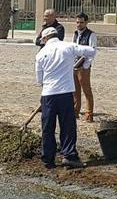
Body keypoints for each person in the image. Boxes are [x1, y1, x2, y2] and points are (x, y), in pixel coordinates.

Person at [35, 27, 97, 169]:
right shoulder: (68, 47)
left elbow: (39, 80)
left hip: (48, 95)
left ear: (45, 39)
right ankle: (69, 155)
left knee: (47, 128)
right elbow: (91, 51)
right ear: (57, 36)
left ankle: (48, 159)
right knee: (68, 126)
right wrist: (85, 64)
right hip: (65, 93)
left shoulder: (40, 54)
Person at [72, 12, 98, 122]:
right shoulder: (75, 34)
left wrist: (86, 66)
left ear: (86, 22)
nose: (79, 24)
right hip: (74, 65)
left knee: (86, 90)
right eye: (77, 22)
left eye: (81, 22)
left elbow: (92, 51)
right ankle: (75, 111)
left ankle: (89, 113)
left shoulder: (91, 35)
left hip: (84, 66)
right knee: (74, 90)